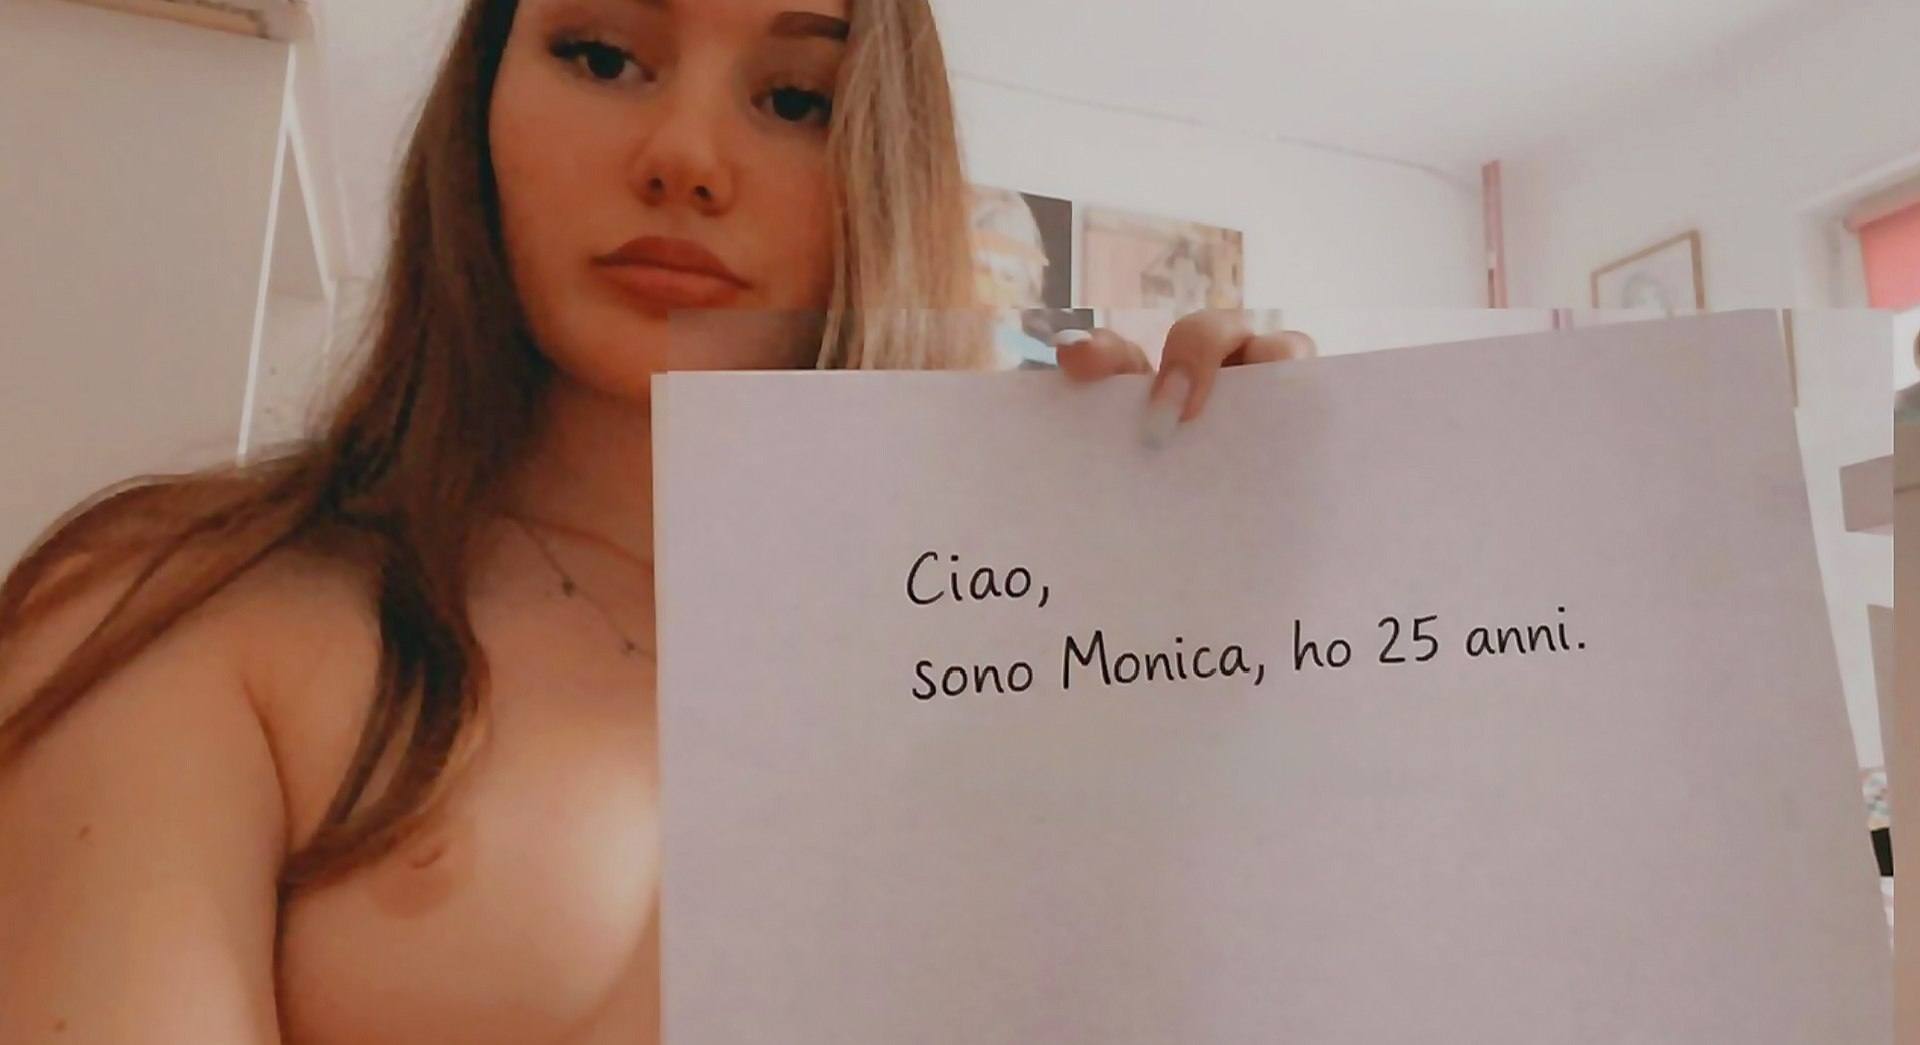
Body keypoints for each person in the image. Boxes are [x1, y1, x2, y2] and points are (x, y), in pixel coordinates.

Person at [0, 1, 1315, 1042]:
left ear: (880, 167)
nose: (686, 157)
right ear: (481, 103)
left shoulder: (1001, 671)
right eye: (602, 55)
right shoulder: (181, 609)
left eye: (794, 99)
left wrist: (1245, 653)